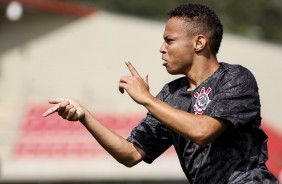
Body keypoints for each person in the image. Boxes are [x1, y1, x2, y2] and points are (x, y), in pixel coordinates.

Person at [43, 3, 278, 183]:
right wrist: (85, 117)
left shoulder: (235, 78)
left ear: (199, 43)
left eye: (170, 40)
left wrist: (146, 99)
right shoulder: (170, 94)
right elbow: (130, 154)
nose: (162, 49)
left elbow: (203, 131)